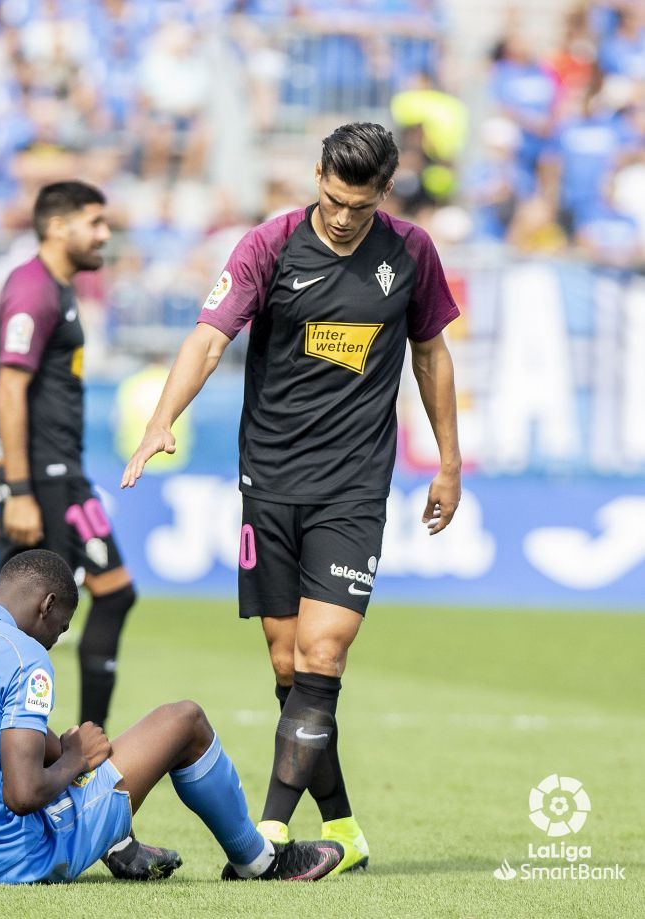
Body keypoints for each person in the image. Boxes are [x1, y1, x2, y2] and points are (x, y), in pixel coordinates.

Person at [122, 123, 462, 873]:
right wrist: (161, 420)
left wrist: (449, 460)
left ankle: (271, 832)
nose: (342, 217)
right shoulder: (269, 246)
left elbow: (431, 354)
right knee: (290, 665)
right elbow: (209, 338)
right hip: (271, 481)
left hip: (353, 487)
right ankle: (343, 827)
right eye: (333, 200)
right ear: (317, 177)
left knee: (323, 650)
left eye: (360, 206)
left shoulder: (411, 252)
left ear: (385, 192)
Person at [0, 549, 345, 884]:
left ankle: (119, 840)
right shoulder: (23, 654)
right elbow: (23, 794)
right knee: (185, 720)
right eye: (61, 627)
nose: (54, 640)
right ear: (47, 604)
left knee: (73, 761)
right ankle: (259, 861)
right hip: (0, 861)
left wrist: (65, 751)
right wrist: (77, 759)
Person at [0, 181, 135, 729]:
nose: (104, 234)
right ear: (57, 226)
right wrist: (18, 489)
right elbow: (9, 388)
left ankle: (87, 744)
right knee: (21, 618)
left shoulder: (60, 287)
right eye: (94, 222)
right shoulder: (32, 290)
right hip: (41, 480)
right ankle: (10, 746)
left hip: (66, 477)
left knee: (115, 593)